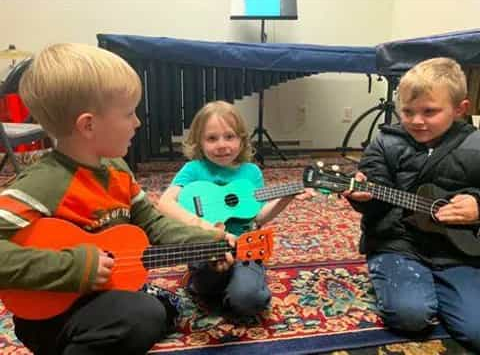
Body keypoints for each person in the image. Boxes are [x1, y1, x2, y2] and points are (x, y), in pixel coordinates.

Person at [0, 43, 234, 355]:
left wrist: (207, 239)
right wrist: (73, 267)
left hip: (105, 296)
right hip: (52, 315)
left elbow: (153, 225)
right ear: (88, 125)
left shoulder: (118, 171)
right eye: (128, 113)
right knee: (145, 315)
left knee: (165, 308)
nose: (137, 122)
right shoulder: (44, 183)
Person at [343, 57, 480, 351]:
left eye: (430, 111)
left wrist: (478, 206)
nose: (416, 120)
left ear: (460, 110)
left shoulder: (476, 145)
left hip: (458, 251)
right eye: (407, 111)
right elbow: (373, 202)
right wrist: (363, 198)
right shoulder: (384, 143)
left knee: (476, 330)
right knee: (411, 317)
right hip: (398, 244)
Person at [156, 100, 315, 316]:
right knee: (205, 286)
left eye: (229, 136)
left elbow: (258, 216)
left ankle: (236, 285)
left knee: (250, 301)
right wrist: (203, 225)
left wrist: (286, 197)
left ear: (241, 139)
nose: (222, 145)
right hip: (207, 249)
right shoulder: (193, 170)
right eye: (212, 138)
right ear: (199, 142)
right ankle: (211, 284)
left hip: (244, 248)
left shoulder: (251, 173)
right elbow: (165, 203)